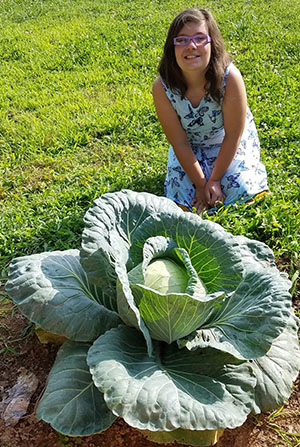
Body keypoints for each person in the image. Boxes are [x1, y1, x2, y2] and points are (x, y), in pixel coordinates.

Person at [152, 8, 269, 213]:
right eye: (182, 40)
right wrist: (200, 183)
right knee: (182, 198)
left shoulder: (230, 78)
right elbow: (179, 142)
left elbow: (233, 136)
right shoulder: (162, 87)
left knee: (240, 188)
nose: (191, 46)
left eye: (200, 38)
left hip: (227, 140)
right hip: (190, 145)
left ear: (212, 44)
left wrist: (214, 180)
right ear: (172, 48)